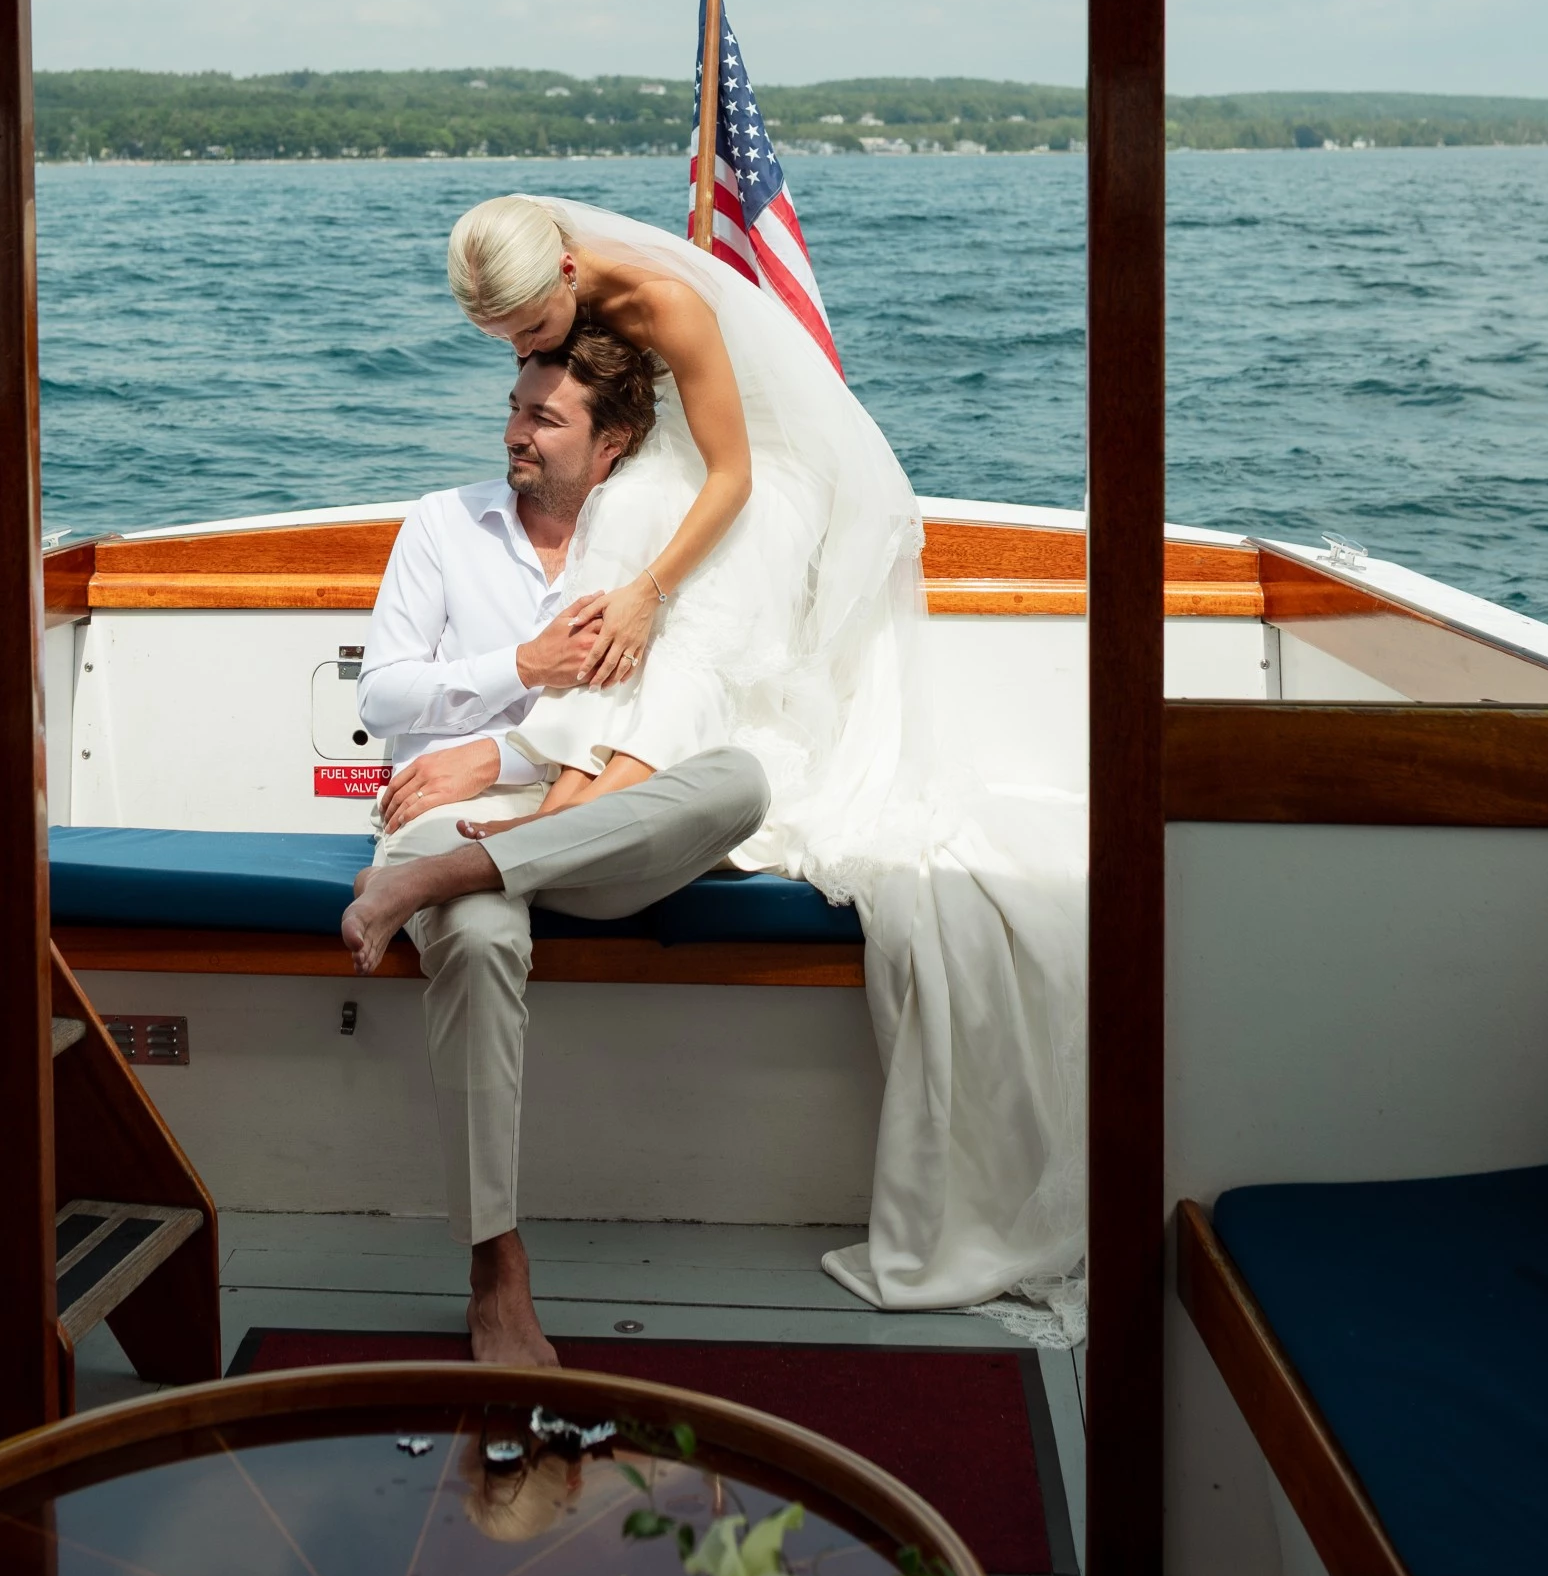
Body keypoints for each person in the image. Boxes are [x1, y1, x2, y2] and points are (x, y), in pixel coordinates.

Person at [434, 194, 1089, 1336]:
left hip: (770, 481)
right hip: (675, 463)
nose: (524, 351)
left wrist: (651, 590)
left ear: (574, 271)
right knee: (625, 514)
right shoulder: (560, 310)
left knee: (689, 602)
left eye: (531, 325)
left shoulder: (669, 301)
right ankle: (578, 788)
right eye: (503, 343)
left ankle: (580, 806)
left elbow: (736, 475)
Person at [343, 316, 770, 1364]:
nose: (515, 434)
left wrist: (515, 764)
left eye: (544, 418)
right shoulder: (444, 526)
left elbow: (675, 712)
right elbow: (387, 696)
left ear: (611, 443)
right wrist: (521, 669)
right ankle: (496, 1263)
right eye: (514, 411)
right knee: (483, 937)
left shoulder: (654, 553)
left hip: (583, 827)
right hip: (446, 811)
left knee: (742, 782)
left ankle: (456, 876)